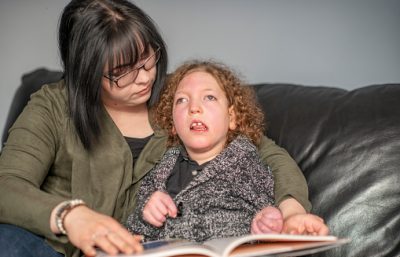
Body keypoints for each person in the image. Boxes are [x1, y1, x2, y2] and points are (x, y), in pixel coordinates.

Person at [0, 1, 322, 257]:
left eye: (147, 59)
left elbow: (269, 155)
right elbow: (7, 185)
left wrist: (290, 212)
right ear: (87, 74)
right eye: (121, 72)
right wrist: (70, 216)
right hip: (49, 247)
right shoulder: (52, 106)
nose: (144, 78)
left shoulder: (178, 101)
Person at [126, 60, 328, 242]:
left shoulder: (246, 164)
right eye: (182, 100)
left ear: (232, 118)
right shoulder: (160, 172)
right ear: (172, 124)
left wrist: (264, 222)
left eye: (209, 97)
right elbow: (133, 229)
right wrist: (147, 215)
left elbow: (265, 213)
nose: (194, 107)